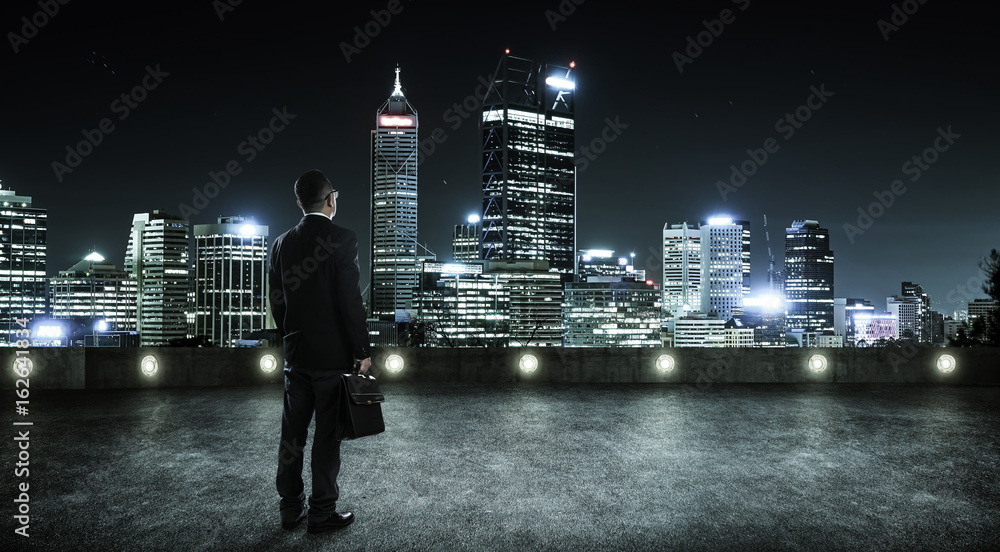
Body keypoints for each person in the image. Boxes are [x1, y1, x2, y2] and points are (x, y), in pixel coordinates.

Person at [269, 169, 372, 534]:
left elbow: (277, 304)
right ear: (331, 199)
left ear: (299, 202)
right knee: (327, 437)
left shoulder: (281, 243)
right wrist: (361, 349)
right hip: (332, 360)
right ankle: (321, 513)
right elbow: (349, 302)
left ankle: (289, 508)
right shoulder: (343, 238)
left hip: (296, 357)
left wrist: (291, 338)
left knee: (292, 437)